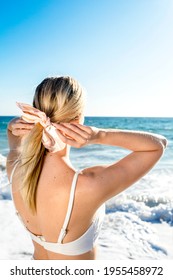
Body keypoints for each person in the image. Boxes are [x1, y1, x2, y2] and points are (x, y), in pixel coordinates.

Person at [6, 76, 167, 260]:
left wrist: (13, 125)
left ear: (35, 112)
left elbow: (13, 136)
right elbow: (158, 145)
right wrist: (100, 135)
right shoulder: (87, 185)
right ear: (78, 119)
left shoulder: (16, 169)